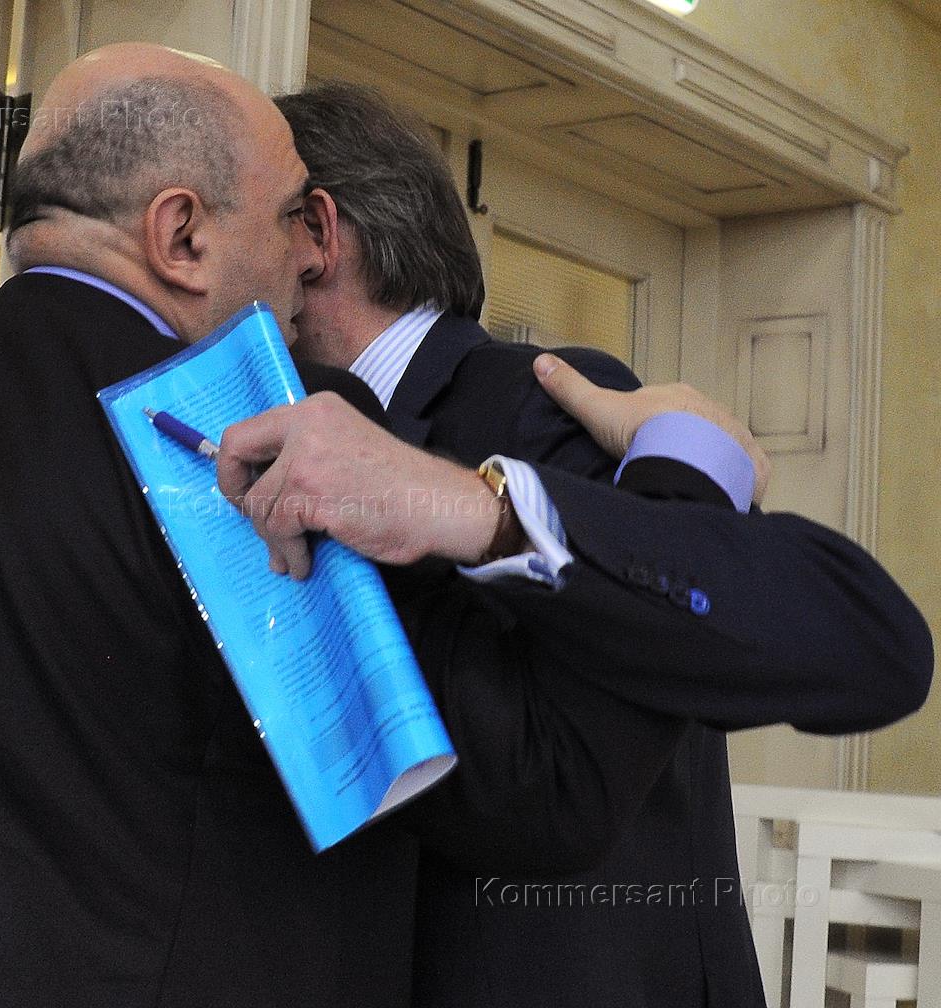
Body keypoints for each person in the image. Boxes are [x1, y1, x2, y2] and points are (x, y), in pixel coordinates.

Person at [0, 43, 766, 1007]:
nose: (304, 265)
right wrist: (687, 480)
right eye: (287, 221)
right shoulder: (247, 446)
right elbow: (547, 787)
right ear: (181, 236)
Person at [262, 79, 934, 1007]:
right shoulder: (282, 436)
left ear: (317, 234)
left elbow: (841, 647)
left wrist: (510, 503)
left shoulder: (544, 397)